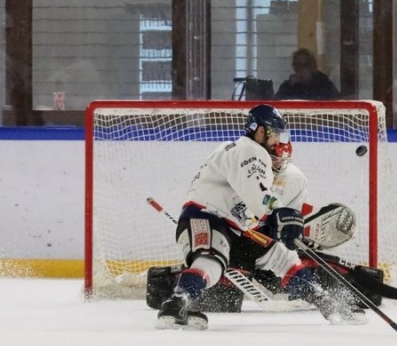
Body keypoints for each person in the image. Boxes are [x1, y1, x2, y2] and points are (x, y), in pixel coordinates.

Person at [155, 104, 367, 330]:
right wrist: (277, 212)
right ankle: (176, 303)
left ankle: (328, 302)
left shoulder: (277, 167)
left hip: (241, 230)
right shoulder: (246, 150)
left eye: (279, 134)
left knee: (285, 257)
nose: (277, 139)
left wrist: (285, 227)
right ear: (258, 131)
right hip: (206, 218)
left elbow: (268, 210)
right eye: (272, 133)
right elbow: (258, 195)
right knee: (211, 260)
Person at [274, 48, 340, 100]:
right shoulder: (288, 86)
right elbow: (277, 103)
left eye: (306, 65)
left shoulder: (324, 84)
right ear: (294, 67)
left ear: (313, 66)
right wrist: (290, 86)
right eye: (298, 65)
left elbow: (336, 100)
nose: (302, 68)